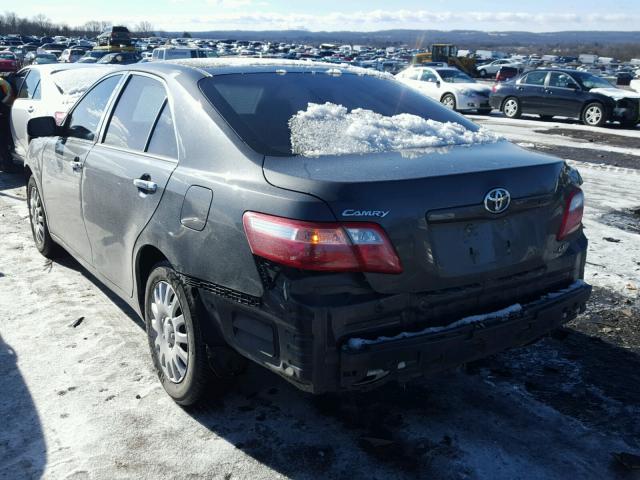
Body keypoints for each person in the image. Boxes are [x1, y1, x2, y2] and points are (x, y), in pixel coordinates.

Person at [0, 73, 16, 171]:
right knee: (3, 141)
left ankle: (6, 164)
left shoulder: (2, 83)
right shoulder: (2, 82)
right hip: (4, 113)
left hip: (3, 113)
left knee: (2, 142)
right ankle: (7, 165)